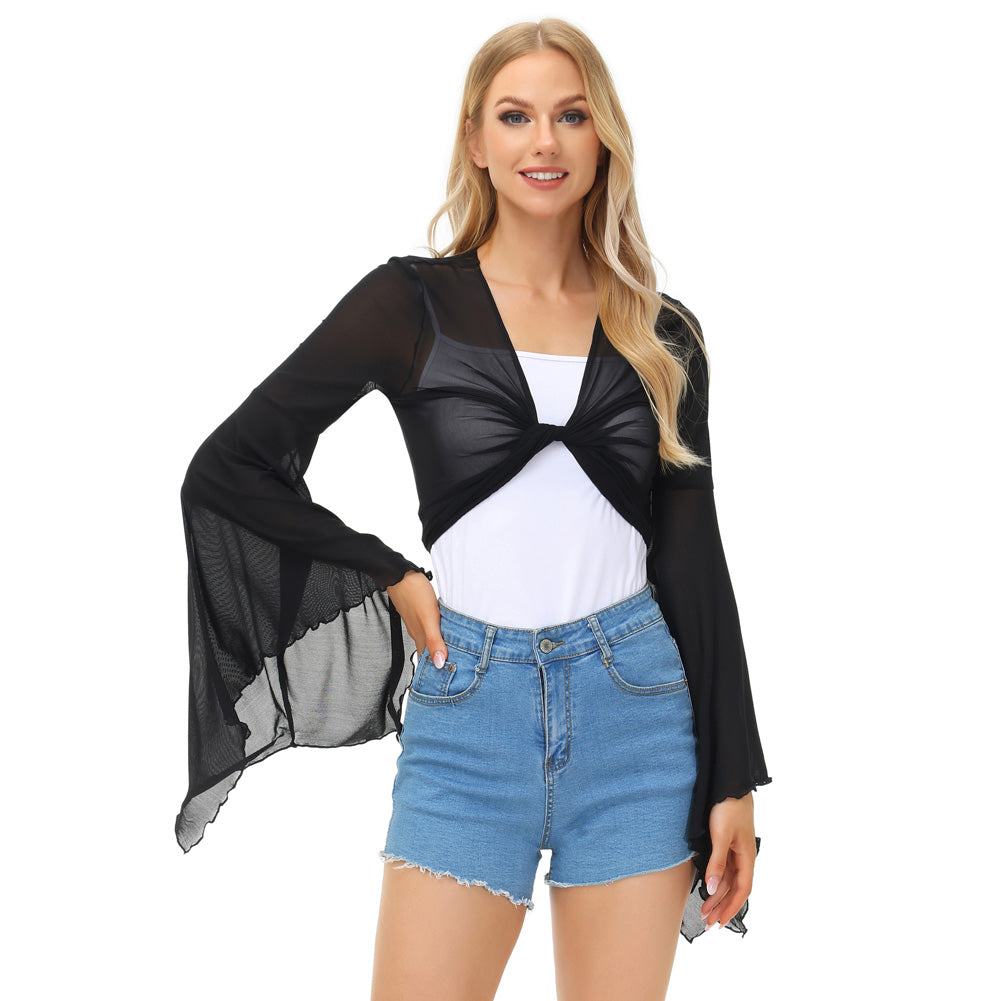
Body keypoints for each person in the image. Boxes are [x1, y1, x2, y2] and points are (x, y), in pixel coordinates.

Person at [176, 17, 771, 1001]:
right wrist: (389, 573)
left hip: (635, 714)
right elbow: (229, 468)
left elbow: (694, 562)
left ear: (602, 137)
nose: (544, 141)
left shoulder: (663, 334)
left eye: (570, 116)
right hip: (469, 714)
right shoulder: (408, 303)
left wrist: (733, 777)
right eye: (515, 116)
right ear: (475, 138)